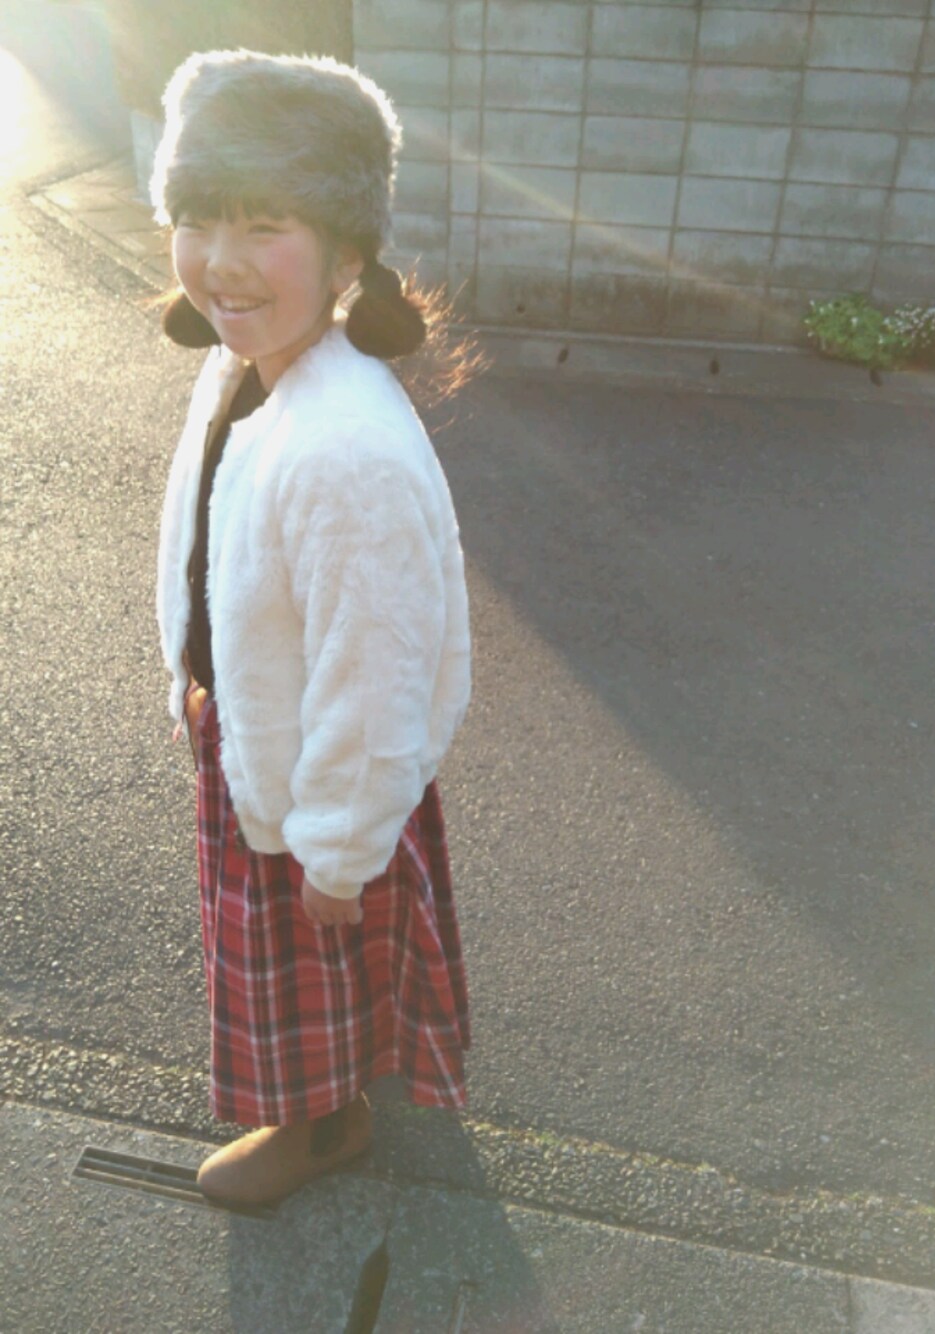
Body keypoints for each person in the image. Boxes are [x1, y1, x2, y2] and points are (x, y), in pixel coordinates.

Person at [151, 49, 472, 1208]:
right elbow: (214, 545)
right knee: (308, 964)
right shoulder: (252, 368)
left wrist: (339, 844)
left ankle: (321, 1125)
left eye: (263, 223)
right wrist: (196, 678)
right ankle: (334, 1088)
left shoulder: (345, 445)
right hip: (264, 735)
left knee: (306, 961)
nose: (220, 259)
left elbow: (376, 670)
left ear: (345, 255)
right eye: (198, 217)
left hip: (319, 776)